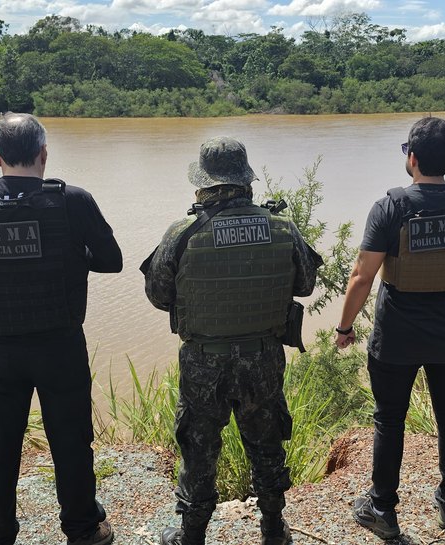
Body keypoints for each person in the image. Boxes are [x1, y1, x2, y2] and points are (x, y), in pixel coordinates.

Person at [0, 113, 122, 545]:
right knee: (71, 439)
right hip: (60, 345)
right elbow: (112, 260)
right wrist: (72, 257)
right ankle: (81, 529)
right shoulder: (72, 200)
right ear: (43, 154)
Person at [143, 136, 321, 545]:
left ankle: (191, 535)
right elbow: (307, 284)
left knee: (199, 450)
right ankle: (273, 529)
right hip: (262, 358)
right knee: (266, 442)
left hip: (204, 362)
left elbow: (158, 295)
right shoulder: (281, 226)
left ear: (204, 184)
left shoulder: (182, 232)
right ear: (246, 181)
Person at [334, 117, 445, 539]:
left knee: (389, 420)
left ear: (412, 158)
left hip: (395, 339)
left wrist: (344, 327)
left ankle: (383, 511)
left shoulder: (389, 208)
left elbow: (361, 277)